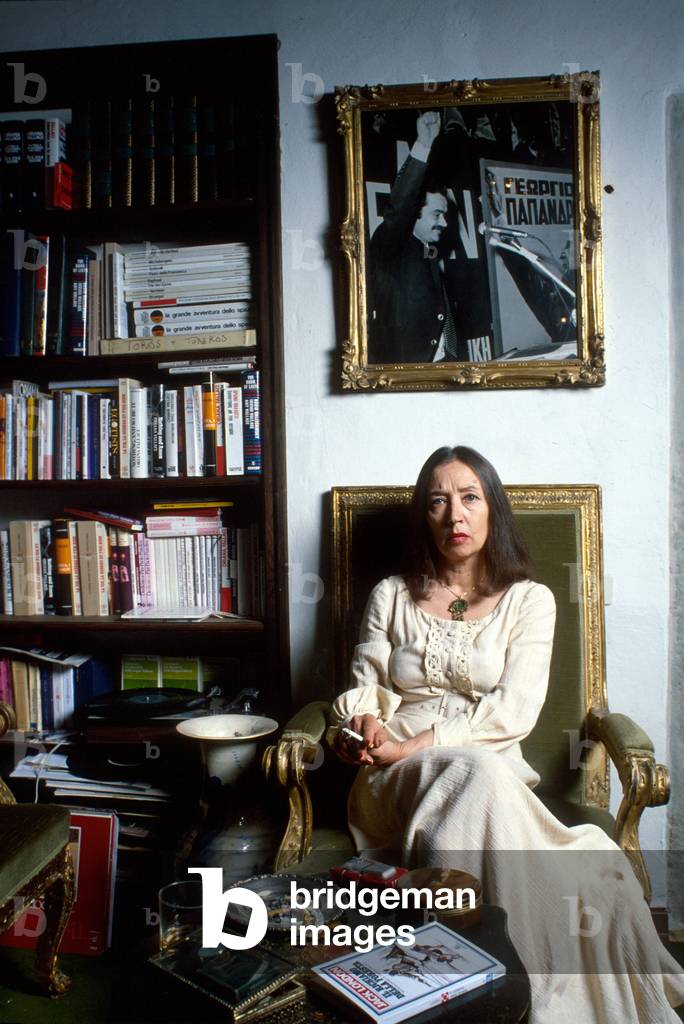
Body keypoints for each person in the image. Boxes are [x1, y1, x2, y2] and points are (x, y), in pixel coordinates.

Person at [327, 445, 684, 1024]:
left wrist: (417, 742)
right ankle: (527, 1000)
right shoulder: (391, 595)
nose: (454, 515)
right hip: (392, 778)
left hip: (491, 768)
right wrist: (360, 731)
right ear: (424, 516)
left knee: (483, 773)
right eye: (438, 502)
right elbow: (364, 691)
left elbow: (515, 710)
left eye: (469, 497)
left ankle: (500, 994)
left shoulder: (529, 601)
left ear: (493, 509)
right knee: (481, 777)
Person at [368, 111, 459, 364]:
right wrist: (424, 145)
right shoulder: (391, 245)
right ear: (414, 215)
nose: (444, 222)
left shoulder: (427, 249)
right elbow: (399, 208)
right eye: (437, 214)